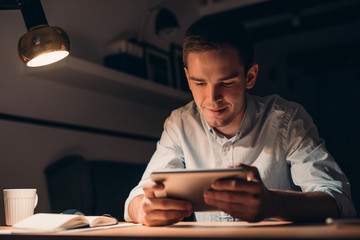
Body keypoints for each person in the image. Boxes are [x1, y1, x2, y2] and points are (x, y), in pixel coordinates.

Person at [124, 15, 356, 226]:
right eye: (200, 83)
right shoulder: (179, 124)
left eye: (226, 83)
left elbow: (339, 200)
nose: (212, 98)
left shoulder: (289, 119)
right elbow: (134, 200)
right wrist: (143, 210)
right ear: (187, 77)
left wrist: (272, 203)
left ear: (250, 76)